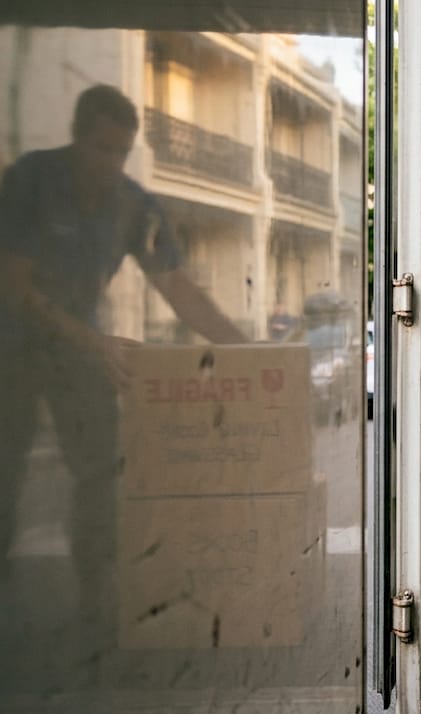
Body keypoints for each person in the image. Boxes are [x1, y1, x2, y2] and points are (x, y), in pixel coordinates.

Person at [0, 85, 245, 646]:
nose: (112, 164)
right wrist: (93, 343)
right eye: (102, 149)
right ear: (78, 139)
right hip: (13, 343)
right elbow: (13, 286)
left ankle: (96, 603)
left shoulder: (134, 204)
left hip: (80, 346)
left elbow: (178, 288)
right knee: (4, 470)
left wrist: (245, 349)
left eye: (122, 152)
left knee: (98, 469)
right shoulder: (32, 181)